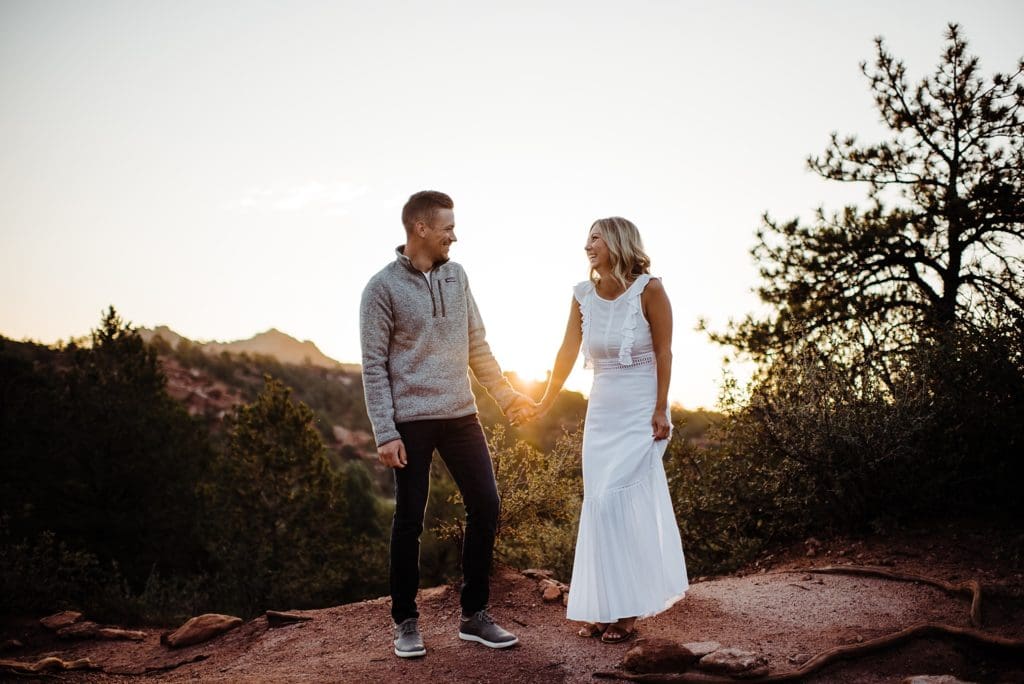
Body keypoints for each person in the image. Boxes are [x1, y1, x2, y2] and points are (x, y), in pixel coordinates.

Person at [360, 190, 535, 659]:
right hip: (411, 421)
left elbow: (477, 345)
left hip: (461, 413)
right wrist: (385, 431)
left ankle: (474, 615)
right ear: (420, 228)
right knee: (409, 519)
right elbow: (373, 366)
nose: (454, 236)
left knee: (486, 504)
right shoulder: (381, 289)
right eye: (447, 228)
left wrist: (505, 397)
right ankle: (406, 622)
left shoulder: (458, 278)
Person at [533, 216, 689, 643]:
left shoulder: (650, 290)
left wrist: (661, 409)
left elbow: (664, 351)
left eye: (596, 237)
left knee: (624, 505)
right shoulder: (582, 295)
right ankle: (604, 609)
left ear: (618, 243)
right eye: (587, 238)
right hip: (601, 413)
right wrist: (546, 399)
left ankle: (627, 614)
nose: (588, 244)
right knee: (600, 507)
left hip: (641, 412)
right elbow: (567, 350)